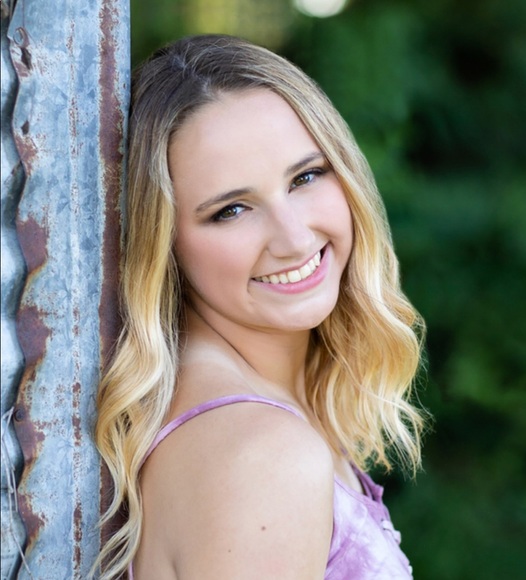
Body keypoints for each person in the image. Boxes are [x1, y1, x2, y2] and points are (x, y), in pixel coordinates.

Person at [94, 34, 426, 579]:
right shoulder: (262, 457)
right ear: (164, 243)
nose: (294, 239)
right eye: (231, 210)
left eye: (306, 177)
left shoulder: (251, 419)